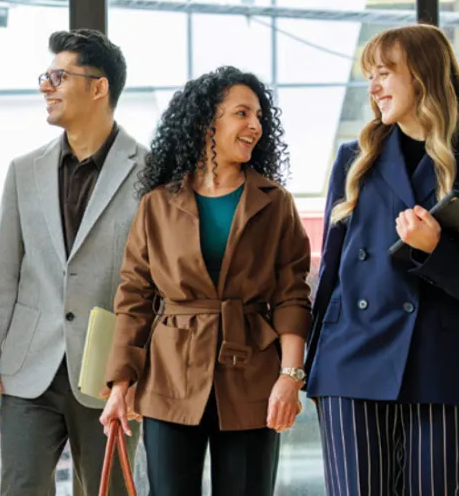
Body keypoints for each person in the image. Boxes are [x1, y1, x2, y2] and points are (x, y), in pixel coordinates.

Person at [304, 24, 459, 495]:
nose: (373, 87)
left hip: (439, 358)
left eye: (384, 73)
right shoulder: (354, 159)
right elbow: (331, 269)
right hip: (350, 358)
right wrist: (306, 368)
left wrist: (435, 248)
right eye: (369, 76)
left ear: (422, 75)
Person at [100, 66, 313, 495]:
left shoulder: (275, 204)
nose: (254, 126)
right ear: (205, 122)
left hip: (253, 374)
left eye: (258, 117)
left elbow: (293, 296)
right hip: (169, 375)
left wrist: (289, 376)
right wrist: (119, 385)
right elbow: (134, 299)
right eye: (241, 113)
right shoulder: (157, 205)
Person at [0, 29, 146, 495]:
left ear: (99, 87)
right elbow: (3, 270)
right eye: (46, 76)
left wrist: (138, 367)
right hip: (29, 368)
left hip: (108, 373)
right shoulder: (24, 171)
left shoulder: (151, 173)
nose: (45, 86)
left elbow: (154, 282)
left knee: (112, 491)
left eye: (58, 76)